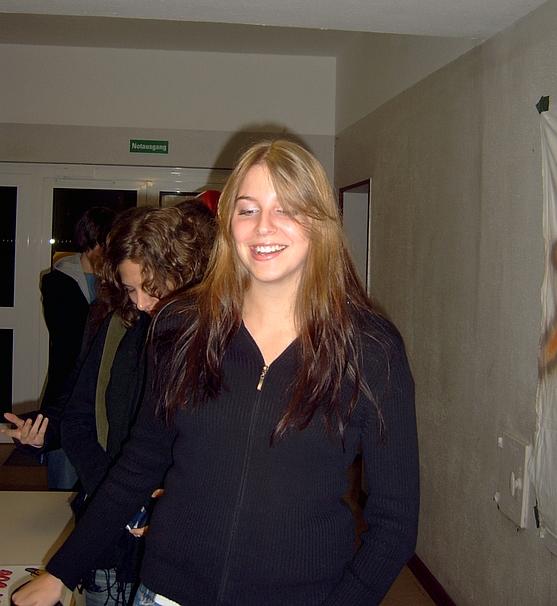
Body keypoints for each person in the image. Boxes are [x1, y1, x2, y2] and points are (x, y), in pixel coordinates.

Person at [13, 140, 419, 606]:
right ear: (228, 224)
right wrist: (61, 573)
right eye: (247, 210)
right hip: (168, 592)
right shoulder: (182, 326)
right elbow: (139, 463)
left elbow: (395, 523)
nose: (263, 226)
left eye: (285, 208)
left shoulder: (370, 348)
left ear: (320, 221)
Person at [59, 204, 216, 606]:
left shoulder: (216, 344)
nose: (143, 303)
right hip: (108, 536)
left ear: (185, 273)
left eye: (153, 287)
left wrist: (164, 502)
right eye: (131, 289)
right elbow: (76, 421)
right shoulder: (119, 327)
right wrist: (121, 499)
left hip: (179, 543)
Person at [2, 206, 116, 490]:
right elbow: (68, 338)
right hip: (68, 388)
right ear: (91, 240)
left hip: (103, 393)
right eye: (105, 241)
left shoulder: (117, 283)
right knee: (63, 481)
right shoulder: (57, 281)